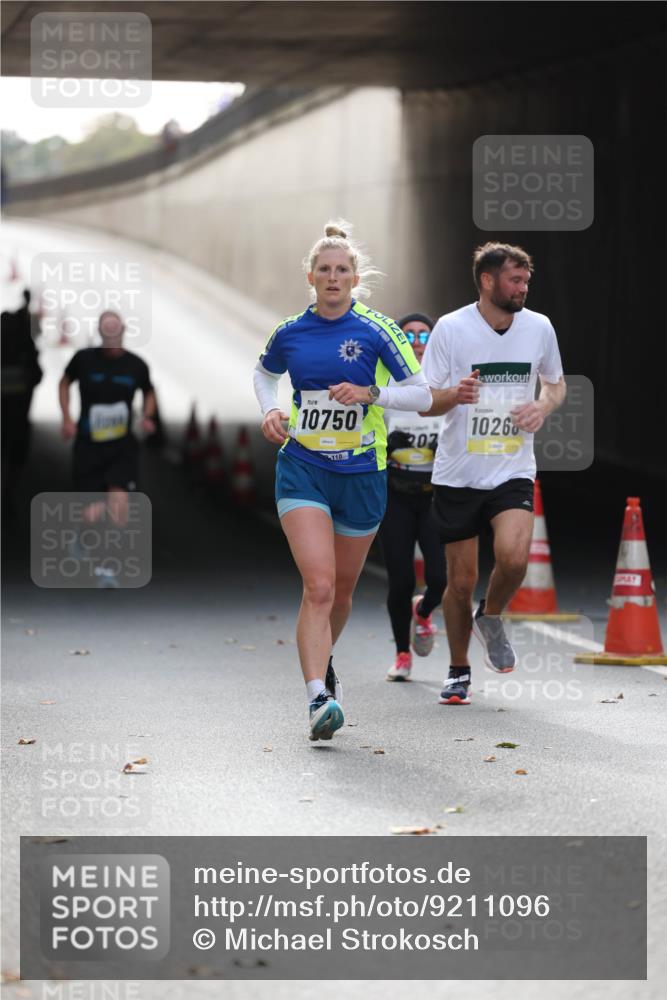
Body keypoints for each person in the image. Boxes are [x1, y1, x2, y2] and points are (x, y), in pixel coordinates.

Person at [253, 221, 432, 741]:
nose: (333, 278)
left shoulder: (378, 330)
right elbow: (265, 374)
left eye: (342, 270)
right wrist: (269, 411)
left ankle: (322, 662)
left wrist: (372, 395)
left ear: (356, 278)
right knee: (320, 585)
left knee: (344, 591)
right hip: (304, 467)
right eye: (324, 270)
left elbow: (420, 394)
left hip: (362, 472)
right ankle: (317, 697)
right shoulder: (289, 332)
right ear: (311, 277)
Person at [420, 242, 565, 705]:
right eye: (514, 280)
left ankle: (493, 614)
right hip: (458, 473)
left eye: (526, 281)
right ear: (487, 281)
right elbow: (427, 400)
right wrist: (454, 395)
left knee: (515, 558)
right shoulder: (451, 329)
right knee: (459, 583)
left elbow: (556, 382)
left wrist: (542, 405)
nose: (523, 289)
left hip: (512, 467)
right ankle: (458, 669)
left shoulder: (539, 327)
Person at [378, 312, 446, 681]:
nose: (418, 342)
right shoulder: (388, 387)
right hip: (396, 494)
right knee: (401, 580)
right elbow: (368, 436)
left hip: (435, 496)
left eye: (425, 335)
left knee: (440, 579)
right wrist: (389, 446)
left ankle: (424, 611)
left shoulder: (446, 384)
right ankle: (403, 654)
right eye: (410, 337)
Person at [59, 310, 156, 528]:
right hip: (88, 447)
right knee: (91, 516)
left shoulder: (136, 365)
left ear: (123, 331)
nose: (111, 339)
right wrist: (66, 418)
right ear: (100, 333)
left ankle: (109, 563)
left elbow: (149, 391)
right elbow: (64, 383)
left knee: (119, 509)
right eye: (107, 333)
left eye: (116, 333)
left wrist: (148, 416)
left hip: (121, 447)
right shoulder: (84, 360)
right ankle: (86, 540)